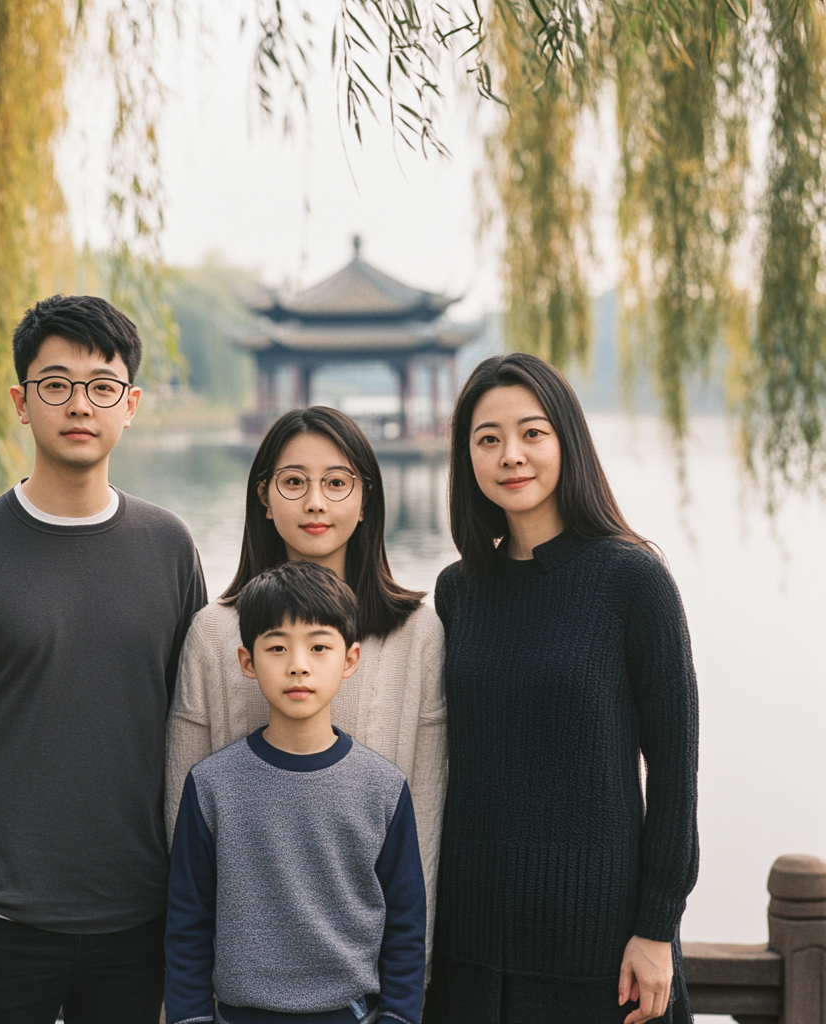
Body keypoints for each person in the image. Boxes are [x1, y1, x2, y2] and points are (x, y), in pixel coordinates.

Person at [0, 294, 207, 1024]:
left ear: (129, 405)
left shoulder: (168, 546)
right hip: (0, 921)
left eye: (102, 387)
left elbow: (197, 719)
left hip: (139, 919)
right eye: (55, 384)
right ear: (21, 400)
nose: (79, 405)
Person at [424, 353, 699, 1024]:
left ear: (566, 442)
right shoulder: (458, 590)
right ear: (468, 459)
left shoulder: (634, 582)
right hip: (470, 943)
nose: (511, 455)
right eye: (488, 439)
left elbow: (674, 770)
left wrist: (657, 927)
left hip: (599, 945)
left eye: (532, 433)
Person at [165, 406, 447, 949]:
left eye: (336, 483)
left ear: (366, 501)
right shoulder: (214, 634)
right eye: (293, 482)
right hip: (242, 970)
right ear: (264, 498)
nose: (315, 501)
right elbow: (185, 815)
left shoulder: (420, 634)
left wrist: (411, 975)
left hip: (368, 977)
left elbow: (427, 818)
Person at [165, 560, 426, 1024]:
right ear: (248, 662)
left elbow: (405, 923)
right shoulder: (212, 786)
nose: (298, 666)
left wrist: (400, 1018)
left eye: (319, 647)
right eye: (277, 648)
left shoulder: (382, 788)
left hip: (350, 1016)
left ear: (350, 660)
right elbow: (188, 919)